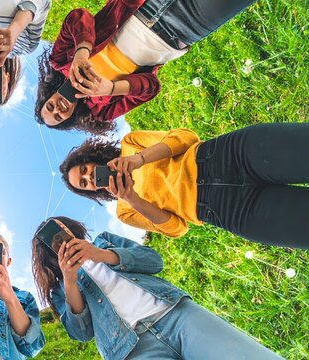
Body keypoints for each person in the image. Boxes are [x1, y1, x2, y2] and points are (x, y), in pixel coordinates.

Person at [31, 216, 283, 360]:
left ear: (68, 226)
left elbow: (154, 261)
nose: (61, 237)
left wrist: (101, 254)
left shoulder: (104, 241)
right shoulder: (61, 288)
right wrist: (70, 280)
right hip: (130, 350)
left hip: (175, 315)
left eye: (60, 229)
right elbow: (82, 333)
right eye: (53, 241)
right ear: (49, 254)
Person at [59, 123, 309, 249]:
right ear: (91, 192)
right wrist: (133, 198)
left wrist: (139, 159)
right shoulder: (126, 211)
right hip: (231, 210)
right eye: (84, 184)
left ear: (89, 160)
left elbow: (185, 138)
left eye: (84, 170)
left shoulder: (131, 144)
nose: (89, 177)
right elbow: (176, 228)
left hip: (228, 156)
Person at [35, 0, 256, 135]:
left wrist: (82, 51)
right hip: (180, 30)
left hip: (145, 6)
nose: (57, 109)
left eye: (50, 106)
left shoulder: (61, 61)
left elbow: (78, 17)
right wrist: (111, 88)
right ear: (69, 119)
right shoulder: (102, 110)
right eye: (58, 117)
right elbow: (151, 87)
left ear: (49, 95)